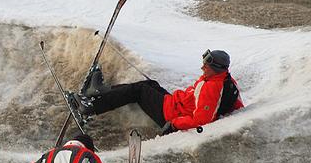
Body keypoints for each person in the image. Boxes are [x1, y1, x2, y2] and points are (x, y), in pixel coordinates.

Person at [69, 49, 243, 134]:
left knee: (139, 90)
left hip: (169, 115)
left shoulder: (212, 87)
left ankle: (91, 106)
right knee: (150, 84)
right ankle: (99, 92)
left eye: (207, 65)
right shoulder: (223, 79)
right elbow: (235, 103)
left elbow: (202, 119)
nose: (202, 66)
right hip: (175, 104)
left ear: (217, 68)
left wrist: (174, 124)